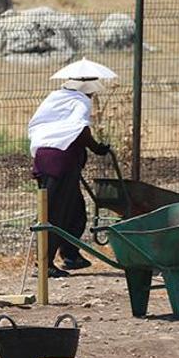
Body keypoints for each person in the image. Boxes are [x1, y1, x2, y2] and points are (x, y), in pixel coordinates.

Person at [28, 65, 113, 278]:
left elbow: (40, 124)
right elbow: (81, 129)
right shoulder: (81, 101)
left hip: (45, 158)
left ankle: (71, 254)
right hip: (61, 161)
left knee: (75, 210)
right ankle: (45, 264)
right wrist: (96, 148)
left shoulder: (55, 97)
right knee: (55, 213)